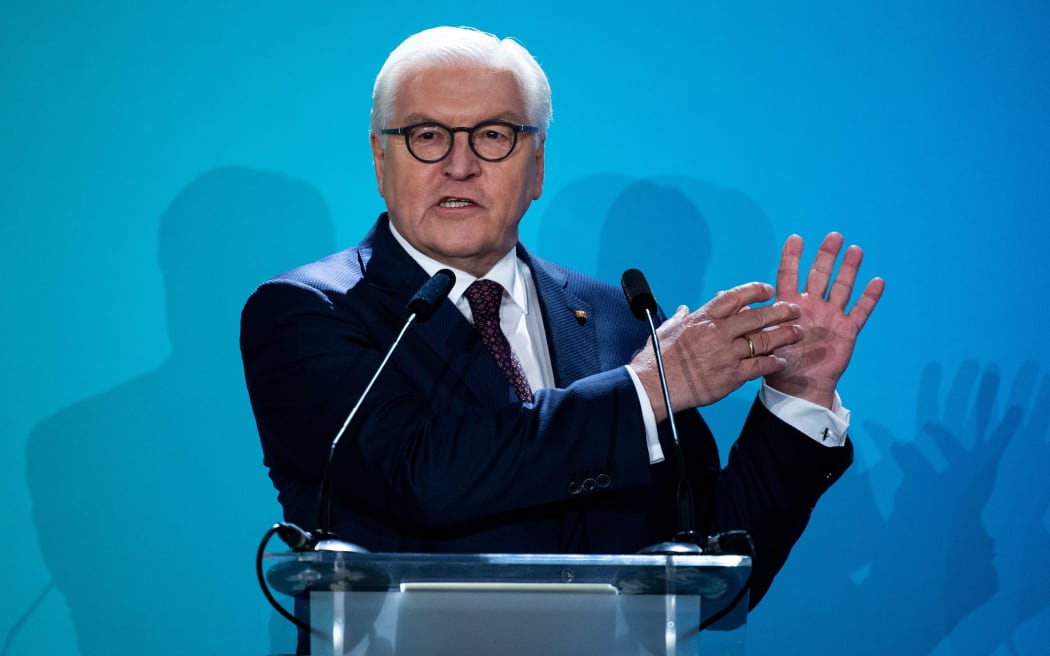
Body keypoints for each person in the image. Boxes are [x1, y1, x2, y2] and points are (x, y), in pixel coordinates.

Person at [240, 25, 883, 617]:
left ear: (537, 164)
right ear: (381, 161)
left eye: (493, 135)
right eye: (427, 135)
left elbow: (710, 568)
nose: (458, 165)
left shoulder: (618, 318)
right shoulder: (307, 311)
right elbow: (420, 477)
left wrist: (797, 400)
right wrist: (650, 390)